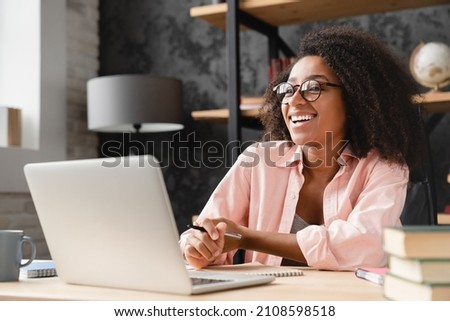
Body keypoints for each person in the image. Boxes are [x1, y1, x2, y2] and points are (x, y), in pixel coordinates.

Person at [179, 25, 424, 271]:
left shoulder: (385, 167)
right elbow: (206, 234)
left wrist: (246, 237)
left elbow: (365, 248)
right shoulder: (257, 161)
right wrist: (199, 247)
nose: (294, 101)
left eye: (313, 88)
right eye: (288, 89)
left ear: (354, 100)